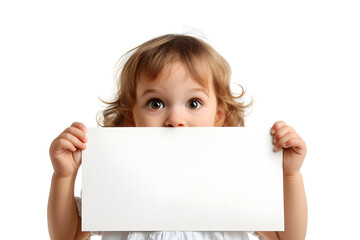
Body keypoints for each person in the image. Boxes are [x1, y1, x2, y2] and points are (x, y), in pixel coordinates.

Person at [48, 34, 307, 240]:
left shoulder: (232, 177)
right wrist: (64, 176)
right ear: (130, 118)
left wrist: (289, 175)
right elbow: (67, 237)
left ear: (218, 116)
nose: (175, 118)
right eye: (156, 103)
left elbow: (288, 238)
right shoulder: (117, 175)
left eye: (193, 103)